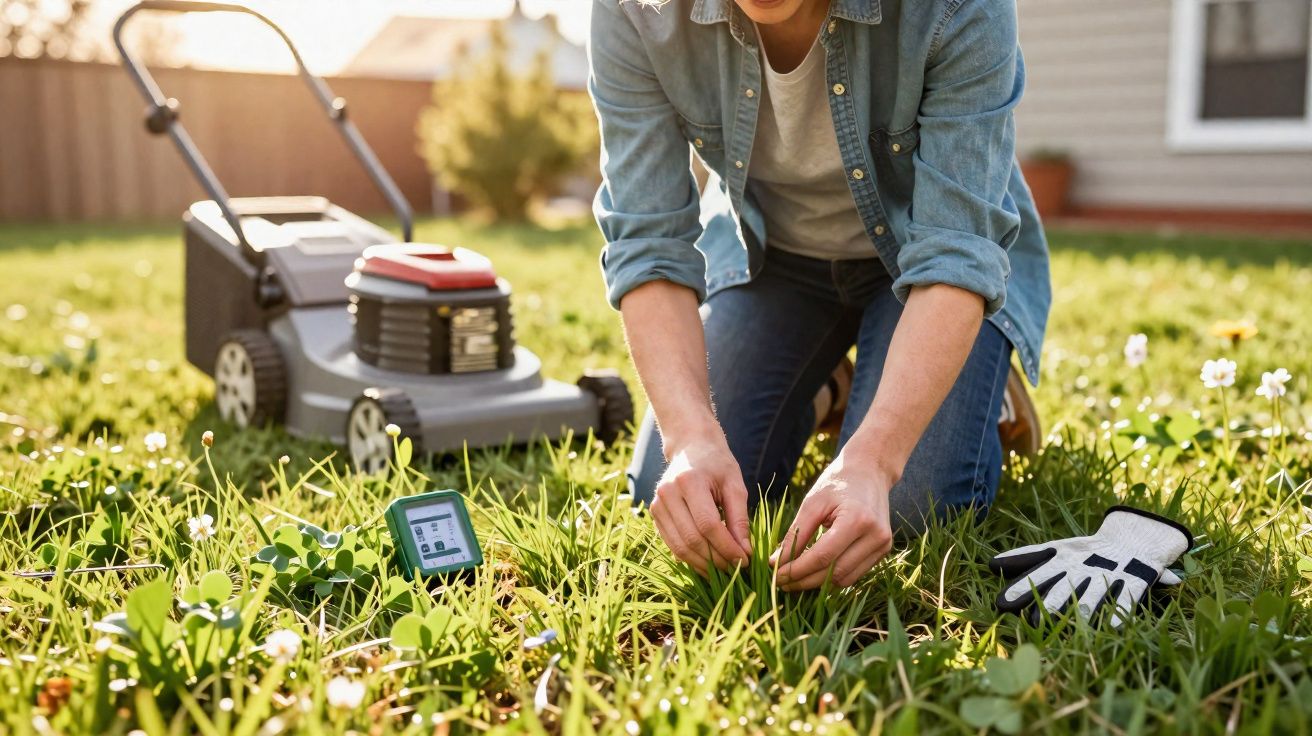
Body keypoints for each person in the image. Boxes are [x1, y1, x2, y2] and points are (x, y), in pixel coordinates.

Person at [587, 0, 1051, 590]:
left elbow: (956, 255)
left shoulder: (957, 7)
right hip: (772, 261)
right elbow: (648, 244)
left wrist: (875, 458)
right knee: (673, 481)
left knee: (913, 506)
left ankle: (975, 374)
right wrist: (689, 435)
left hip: (924, 264)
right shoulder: (635, 11)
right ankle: (829, 388)